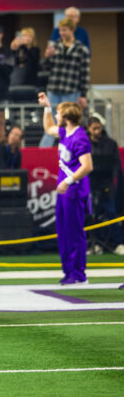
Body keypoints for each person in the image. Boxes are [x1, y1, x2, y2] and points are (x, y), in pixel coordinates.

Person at [37, 93, 93, 284]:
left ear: (67, 116)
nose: (57, 116)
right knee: (63, 230)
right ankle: (69, 271)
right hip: (65, 189)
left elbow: (87, 165)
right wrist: (46, 107)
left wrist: (68, 181)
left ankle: (79, 273)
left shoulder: (79, 137)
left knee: (74, 230)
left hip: (74, 189)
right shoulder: (64, 132)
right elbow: (48, 127)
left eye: (59, 113)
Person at [39, 18, 90, 147]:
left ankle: (73, 149)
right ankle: (43, 152)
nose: (61, 33)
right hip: (54, 89)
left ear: (72, 30)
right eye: (60, 30)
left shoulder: (81, 49)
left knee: (70, 124)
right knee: (50, 122)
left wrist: (83, 94)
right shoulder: (54, 46)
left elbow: (85, 73)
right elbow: (45, 68)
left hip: (71, 91)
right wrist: (47, 57)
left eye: (64, 30)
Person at [86, 117, 123, 254]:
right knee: (92, 215)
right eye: (94, 128)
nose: (97, 131)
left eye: (99, 128)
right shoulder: (85, 144)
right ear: (89, 129)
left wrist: (112, 183)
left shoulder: (110, 144)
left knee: (111, 213)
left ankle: (118, 243)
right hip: (90, 185)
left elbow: (116, 165)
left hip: (107, 185)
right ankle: (95, 244)